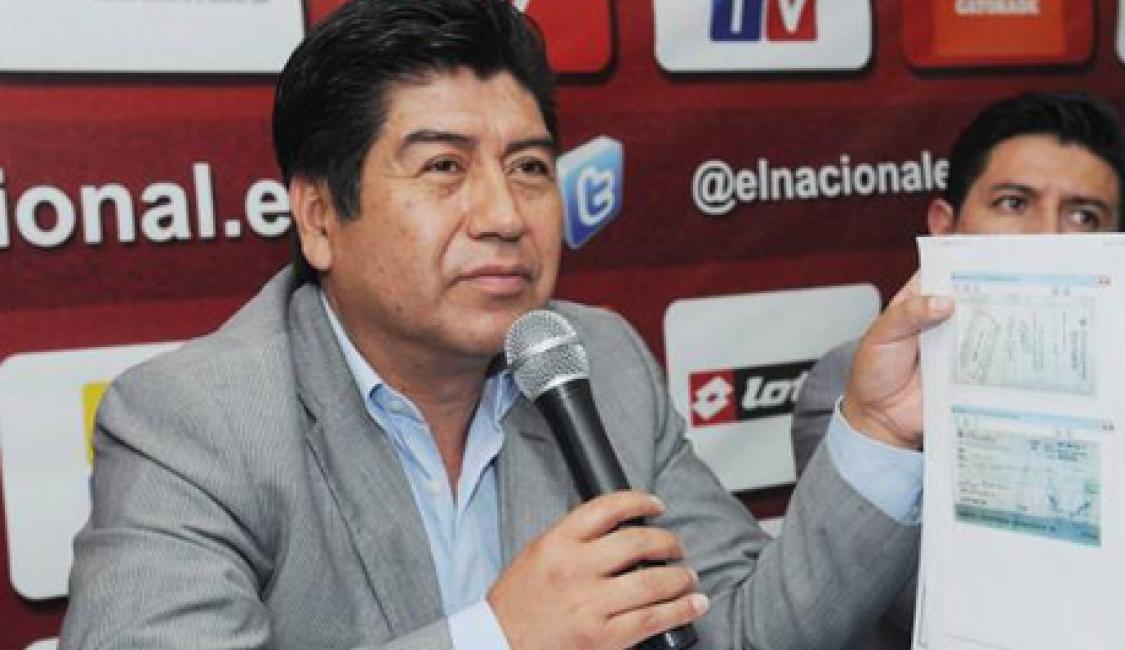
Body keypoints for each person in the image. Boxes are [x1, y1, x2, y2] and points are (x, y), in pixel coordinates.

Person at [60, 1, 951, 648]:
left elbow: (739, 634)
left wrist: (877, 431)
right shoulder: (195, 421)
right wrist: (500, 637)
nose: (503, 215)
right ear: (320, 217)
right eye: (443, 167)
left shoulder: (595, 361)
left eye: (528, 167)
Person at [792, 91, 1125, 649]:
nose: (1048, 239)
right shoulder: (855, 389)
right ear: (944, 226)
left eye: (1084, 216)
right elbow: (961, 605)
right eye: (1013, 203)